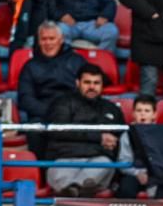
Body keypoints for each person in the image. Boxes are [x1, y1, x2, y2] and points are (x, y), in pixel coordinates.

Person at [43, 62, 126, 196]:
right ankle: (79, 192)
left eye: (96, 83)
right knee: (63, 176)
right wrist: (98, 137)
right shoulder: (63, 103)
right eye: (87, 82)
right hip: (66, 158)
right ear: (78, 83)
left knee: (104, 165)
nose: (92, 87)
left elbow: (120, 139)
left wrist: (113, 142)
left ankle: (73, 192)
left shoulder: (112, 109)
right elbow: (59, 131)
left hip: (98, 158)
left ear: (102, 85)